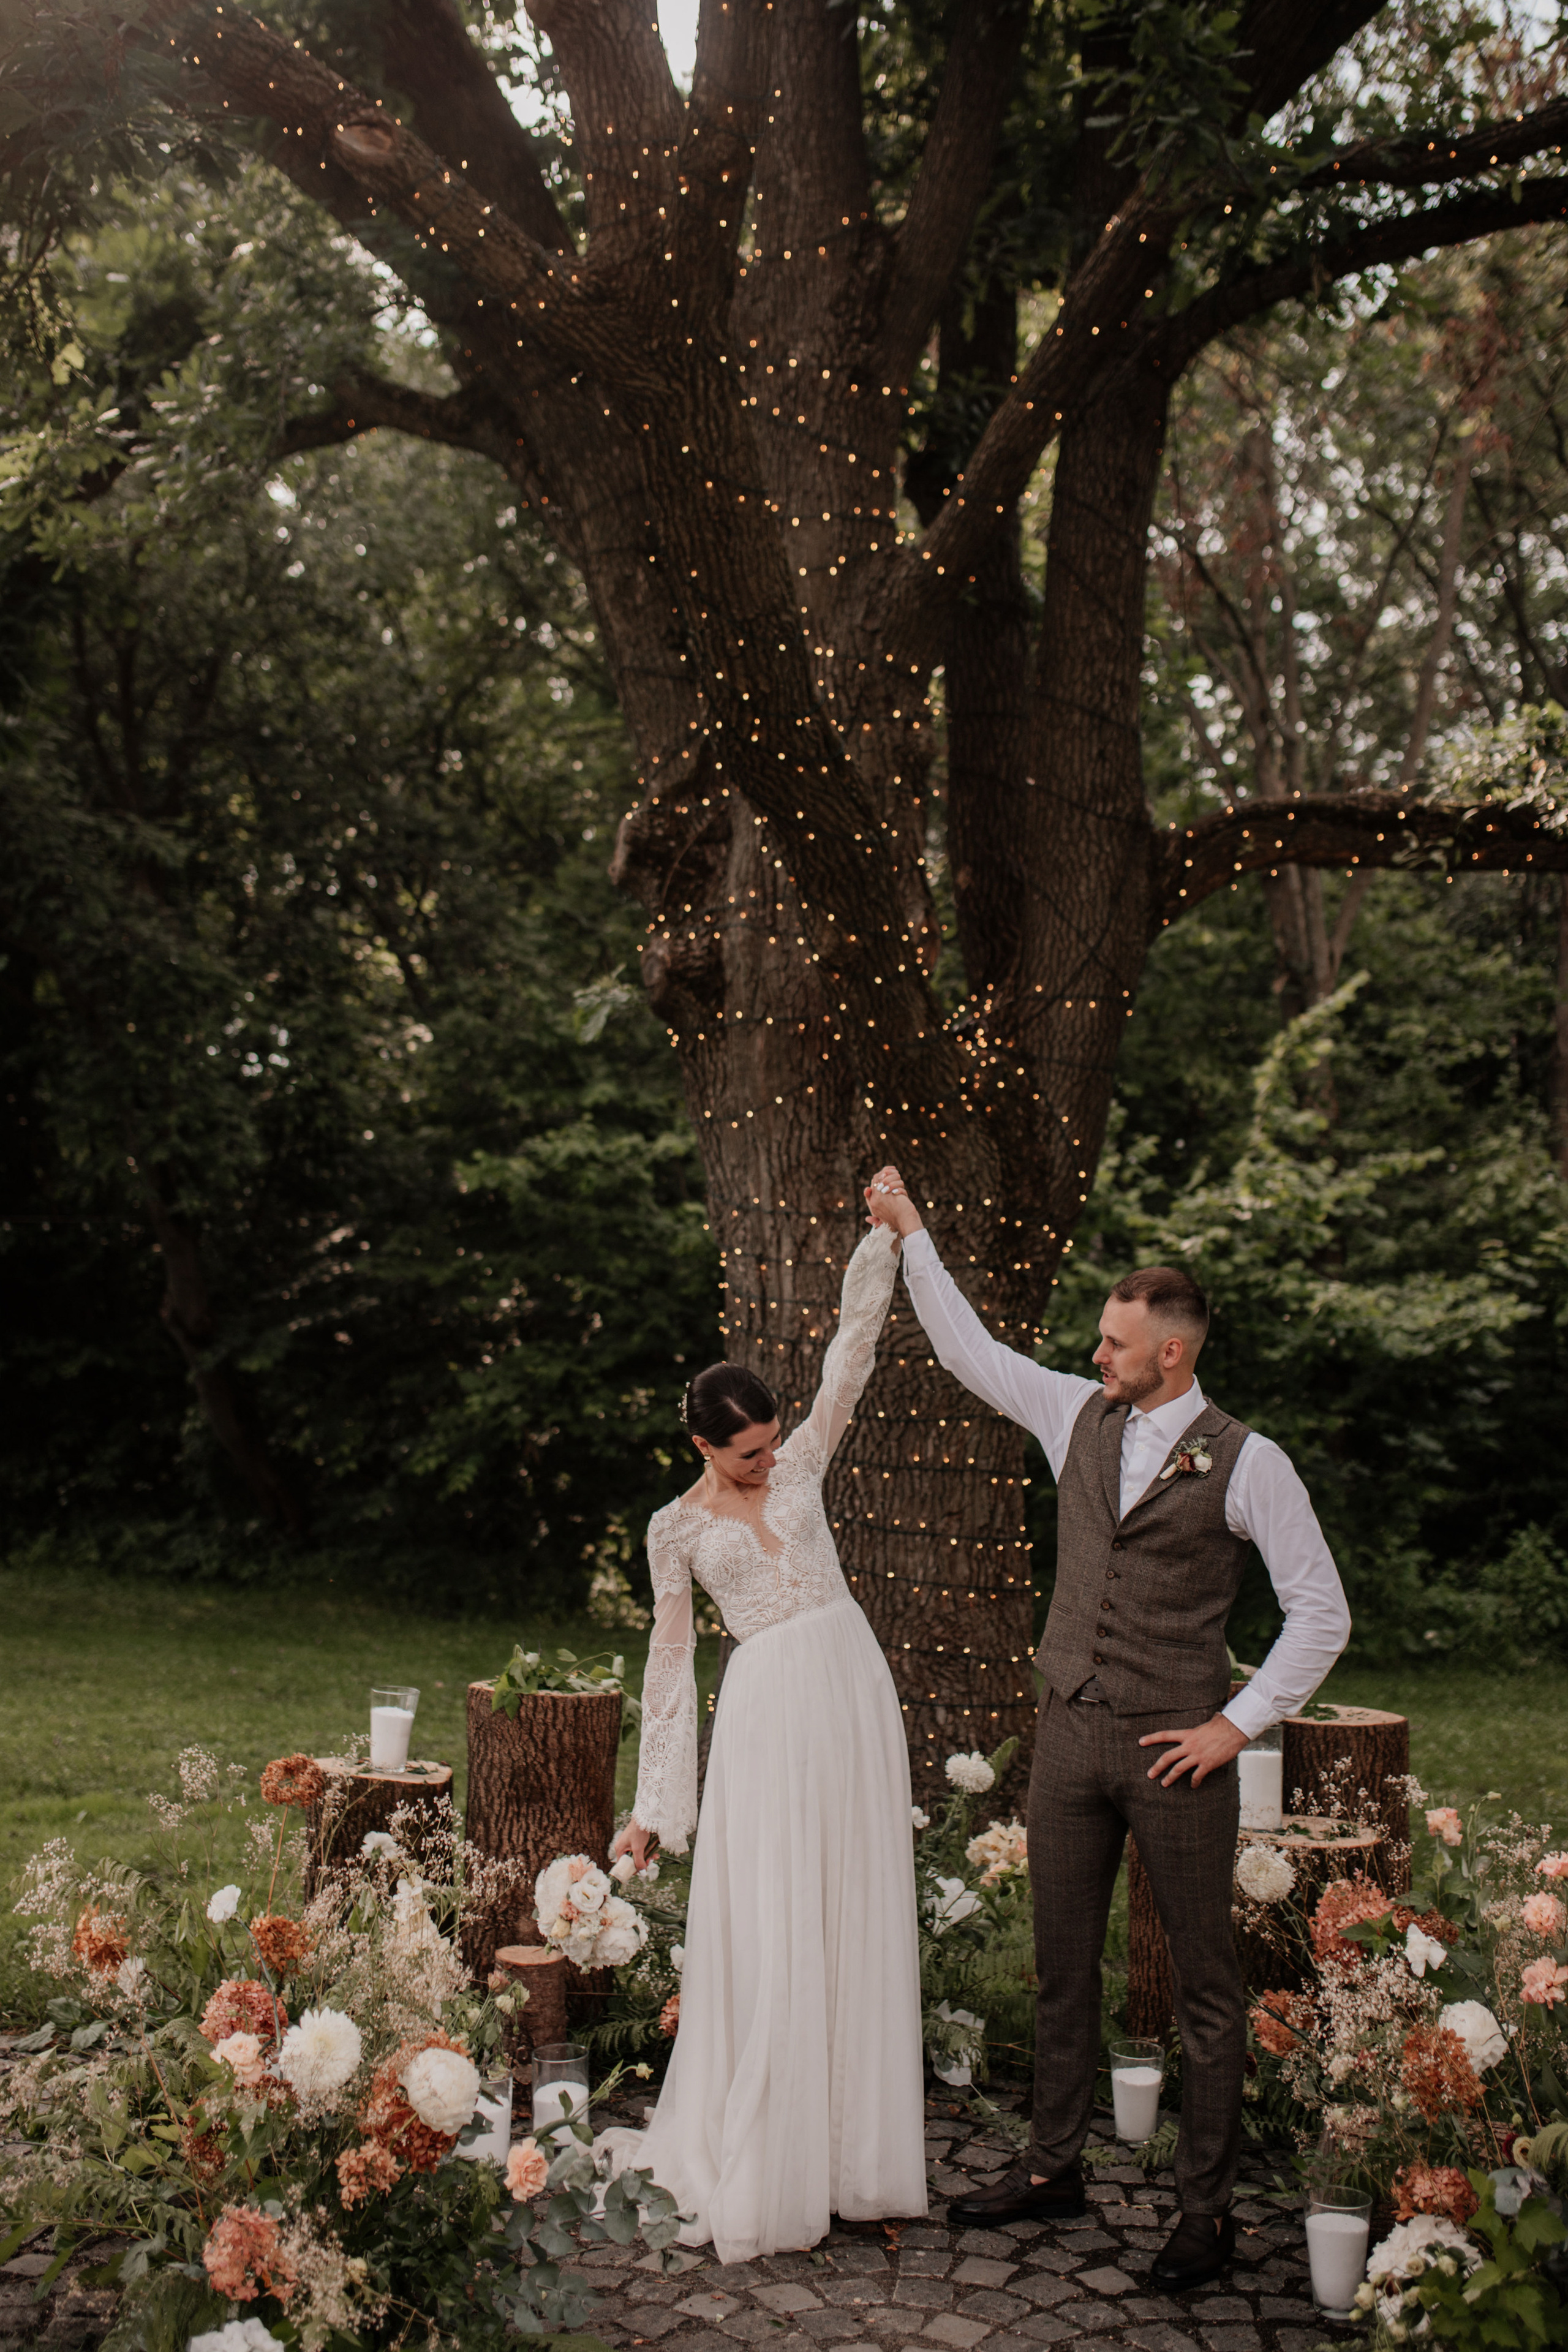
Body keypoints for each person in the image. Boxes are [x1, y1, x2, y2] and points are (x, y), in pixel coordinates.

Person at [864, 1167, 1350, 2291]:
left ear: (1171, 1352)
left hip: (1179, 1754)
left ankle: (1206, 2215)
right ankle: (1052, 2167)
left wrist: (1235, 1726)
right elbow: (969, 1352)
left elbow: (1321, 1611)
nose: (1097, 1355)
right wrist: (914, 1233)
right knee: (1061, 1969)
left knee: (1204, 1988)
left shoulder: (1250, 1461)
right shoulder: (1074, 1414)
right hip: (1069, 1736)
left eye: (1116, 1344)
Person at [598, 1216, 927, 2263]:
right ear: (703, 1447)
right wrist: (654, 1810)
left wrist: (882, 1247)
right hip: (766, 1716)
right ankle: (774, 2156)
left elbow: (850, 1357)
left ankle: (855, 2160)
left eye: (772, 1440)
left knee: (853, 1904)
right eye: (748, 1451)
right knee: (778, 1918)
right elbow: (669, 1664)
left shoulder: (800, 1464)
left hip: (850, 1690)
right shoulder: (675, 1530)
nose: (768, 1458)